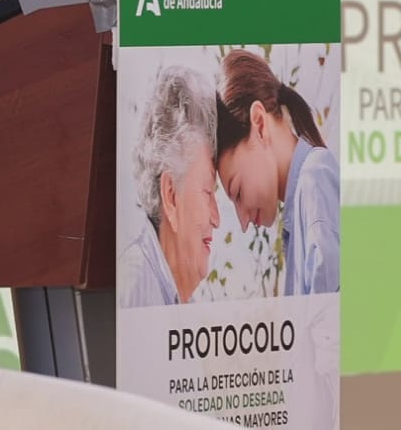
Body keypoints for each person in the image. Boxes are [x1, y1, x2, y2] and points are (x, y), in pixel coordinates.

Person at [215, 50, 340, 297]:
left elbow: (332, 315)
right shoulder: (304, 196)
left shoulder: (314, 179)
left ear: (260, 124)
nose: (243, 222)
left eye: (238, 192)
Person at [118, 64, 222, 307]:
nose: (217, 219)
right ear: (171, 195)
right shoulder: (137, 288)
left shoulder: (176, 299)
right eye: (207, 192)